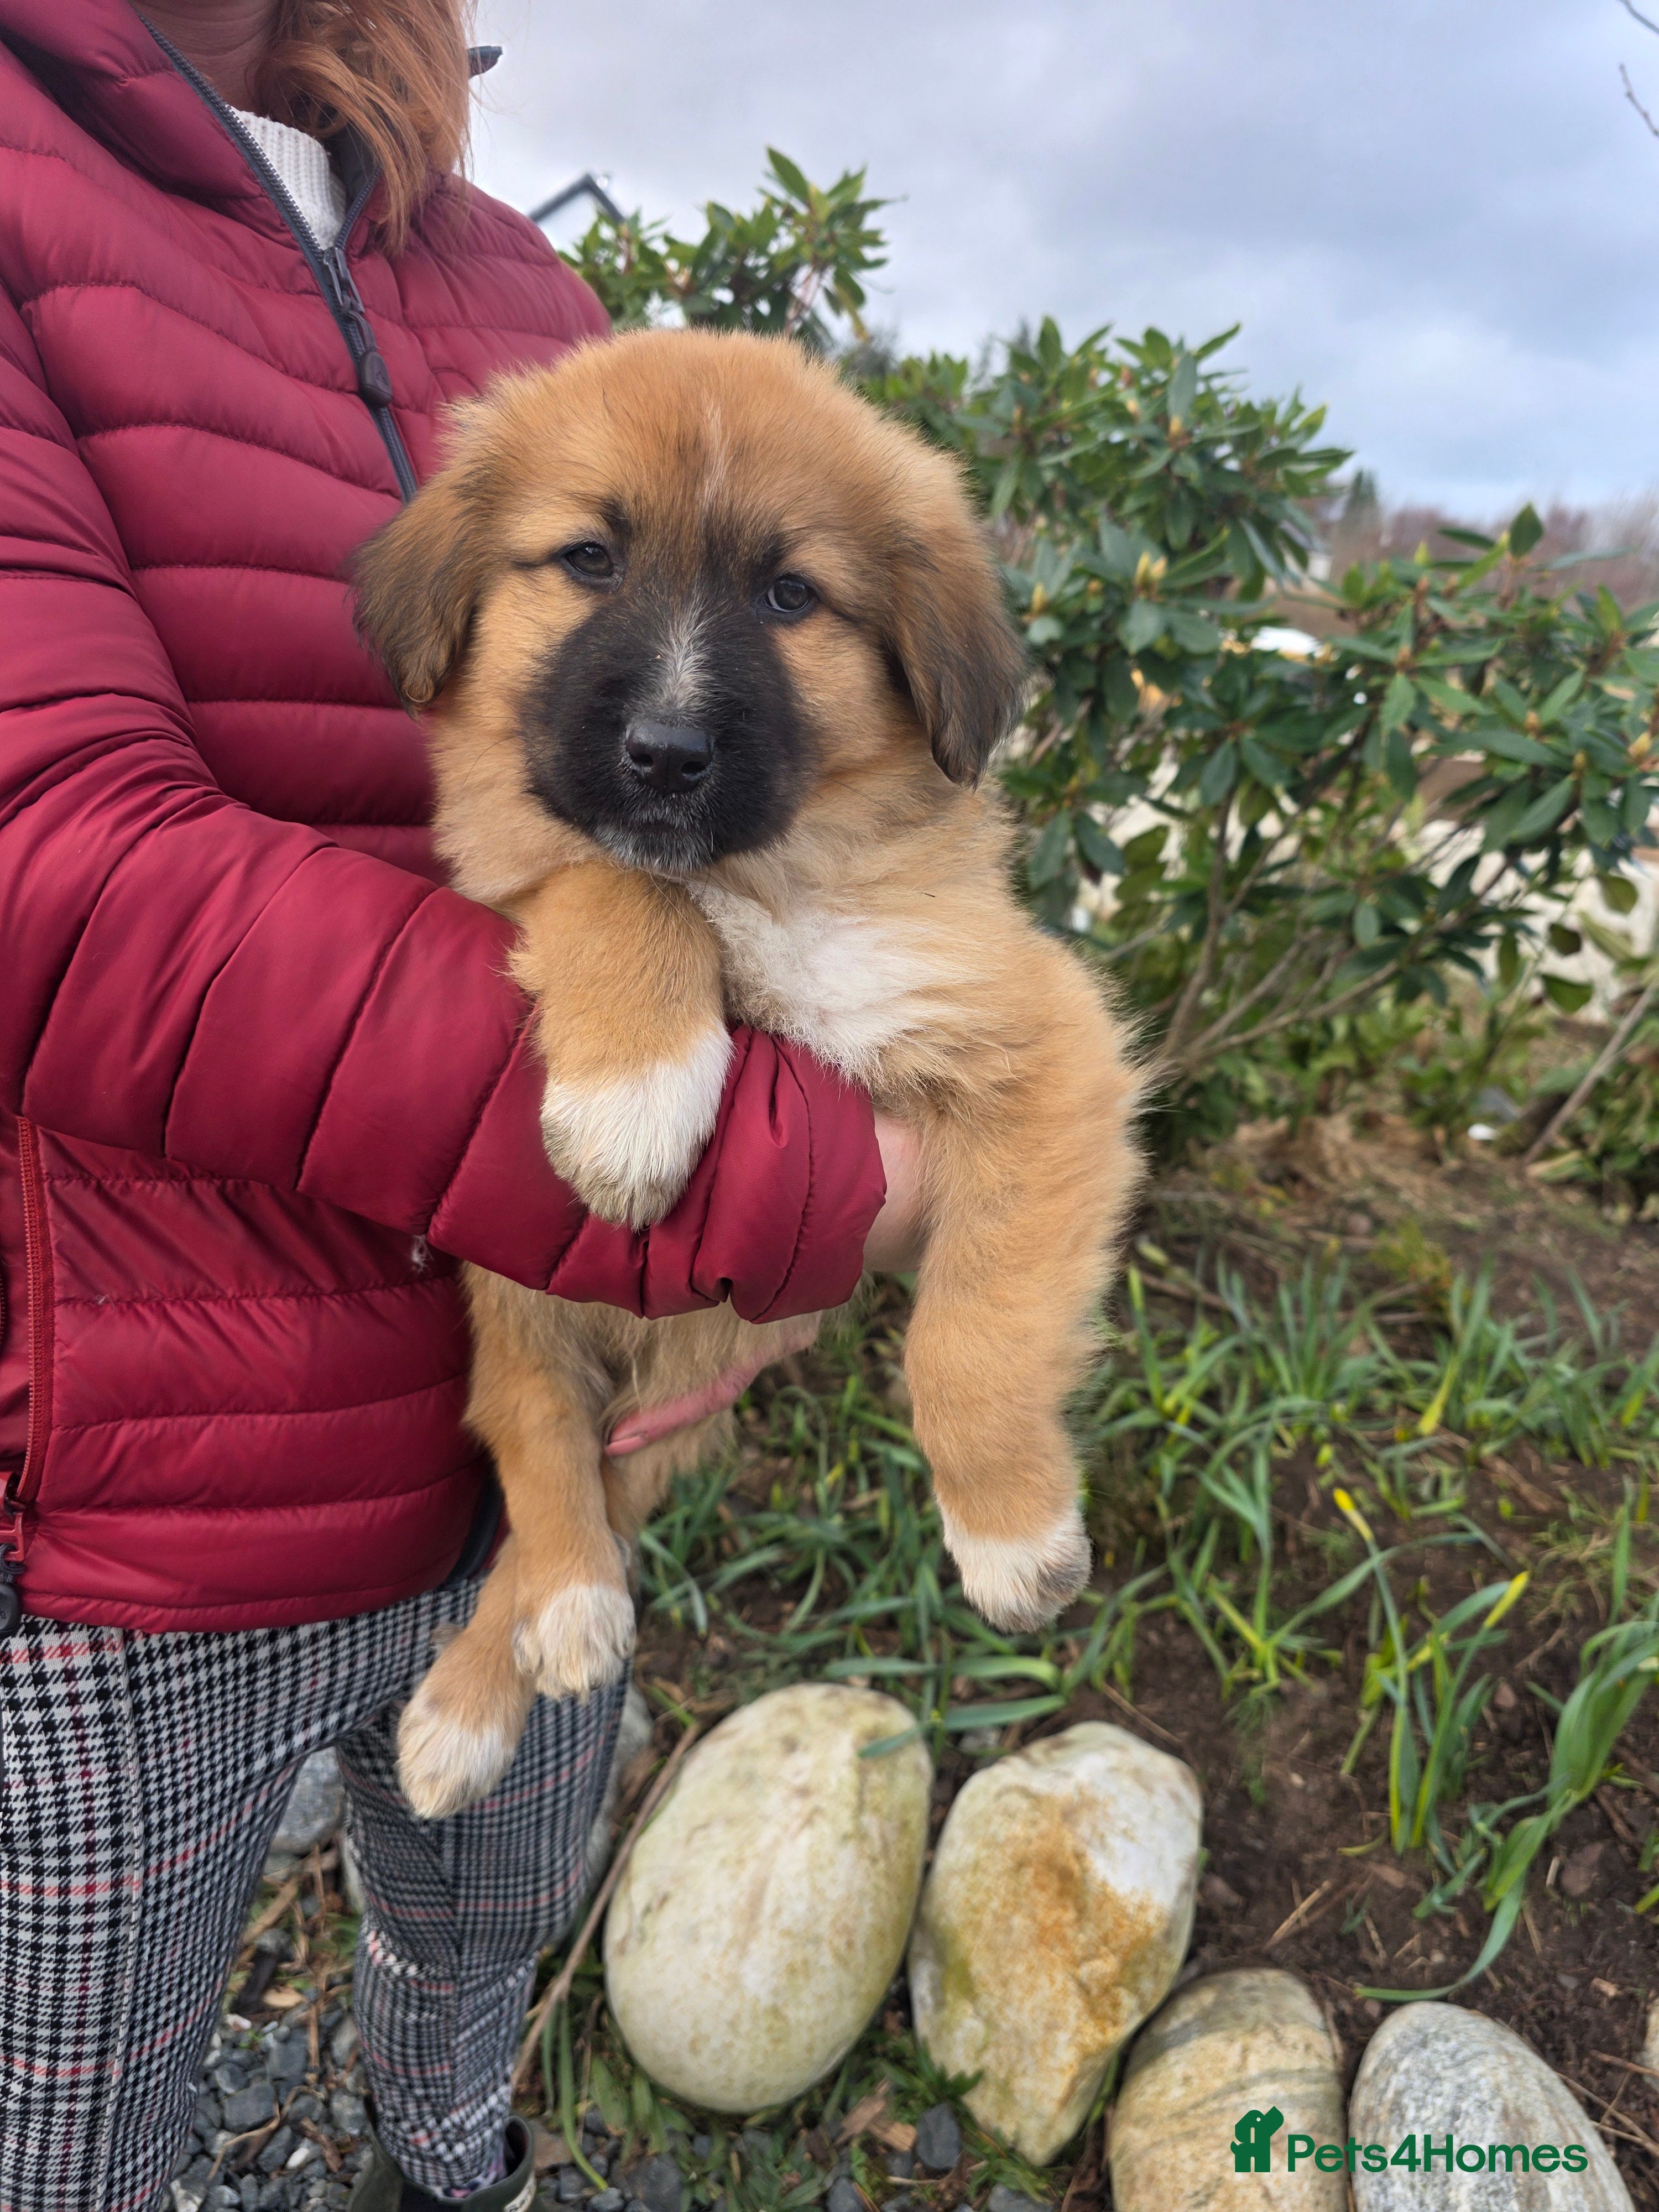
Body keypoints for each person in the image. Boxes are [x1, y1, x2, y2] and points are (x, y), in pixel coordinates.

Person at [0, 5, 922, 2207]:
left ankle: (445, 2146)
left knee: (477, 1944)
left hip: (538, 1423)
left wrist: (729, 1254)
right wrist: (788, 1182)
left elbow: (728, 825)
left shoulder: (523, 293)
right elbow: (57, 872)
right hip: (129, 1505)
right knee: (72, 2131)